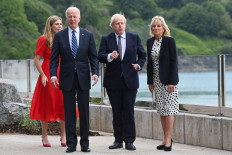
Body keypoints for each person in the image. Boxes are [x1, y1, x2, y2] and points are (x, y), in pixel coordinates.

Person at [50, 6, 99, 153]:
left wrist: (95, 72)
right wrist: (53, 75)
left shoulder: (88, 35)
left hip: (84, 77)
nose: (72, 19)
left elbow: (93, 57)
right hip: (66, 78)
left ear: (79, 18)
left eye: (75, 16)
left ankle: (85, 144)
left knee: (84, 112)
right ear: (66, 19)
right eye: (70, 16)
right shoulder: (59, 36)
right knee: (69, 112)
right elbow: (53, 60)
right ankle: (71, 144)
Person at [98, 13, 146, 151]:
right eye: (117, 23)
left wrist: (138, 65)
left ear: (125, 24)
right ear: (112, 26)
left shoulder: (134, 37)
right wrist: (109, 56)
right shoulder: (106, 39)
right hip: (113, 81)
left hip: (130, 81)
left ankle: (129, 141)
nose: (120, 26)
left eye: (122, 23)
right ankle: (118, 140)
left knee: (128, 111)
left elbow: (142, 55)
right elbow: (100, 56)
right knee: (117, 111)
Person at [30, 15, 79, 147]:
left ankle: (63, 135)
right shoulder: (43, 39)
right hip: (47, 73)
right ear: (50, 26)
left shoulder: (64, 38)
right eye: (57, 24)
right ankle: (44, 136)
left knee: (64, 104)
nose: (60, 26)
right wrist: (42, 75)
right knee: (47, 105)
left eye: (60, 24)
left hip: (62, 73)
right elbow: (36, 59)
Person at [147, 16, 179, 152]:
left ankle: (168, 139)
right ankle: (165, 139)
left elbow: (174, 62)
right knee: (161, 110)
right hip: (156, 80)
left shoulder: (169, 41)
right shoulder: (150, 42)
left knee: (169, 109)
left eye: (158, 26)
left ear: (163, 27)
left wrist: (173, 81)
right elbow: (150, 63)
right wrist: (150, 81)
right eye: (154, 26)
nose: (156, 28)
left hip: (169, 81)